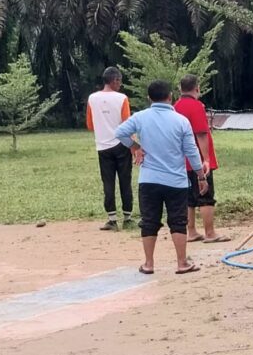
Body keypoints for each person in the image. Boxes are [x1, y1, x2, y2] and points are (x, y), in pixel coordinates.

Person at [115, 80, 207, 276]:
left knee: (149, 221)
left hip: (149, 179)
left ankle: (148, 263)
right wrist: (201, 176)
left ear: (149, 98)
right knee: (178, 221)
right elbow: (191, 152)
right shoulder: (181, 121)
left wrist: (135, 146)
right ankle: (182, 262)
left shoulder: (140, 117)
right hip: (176, 181)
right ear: (170, 97)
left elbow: (120, 132)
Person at [174, 74, 230, 244]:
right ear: (197, 88)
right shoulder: (197, 106)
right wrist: (205, 159)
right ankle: (210, 232)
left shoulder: (175, 107)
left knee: (188, 198)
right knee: (206, 196)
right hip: (196, 160)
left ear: (180, 89)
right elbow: (201, 134)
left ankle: (191, 231)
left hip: (181, 160)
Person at [86, 66, 133, 231]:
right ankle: (127, 217)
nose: (120, 84)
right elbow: (127, 124)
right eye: (119, 81)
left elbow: (90, 125)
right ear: (115, 80)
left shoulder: (92, 98)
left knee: (108, 181)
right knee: (125, 180)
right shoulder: (122, 98)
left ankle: (112, 219)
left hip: (102, 146)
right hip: (121, 144)